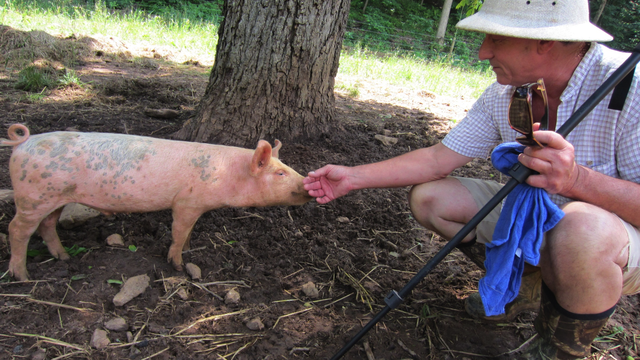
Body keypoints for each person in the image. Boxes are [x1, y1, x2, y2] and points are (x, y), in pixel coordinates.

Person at [303, 0, 640, 358]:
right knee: (431, 198)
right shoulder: (507, 91)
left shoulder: (630, 89)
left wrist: (576, 180)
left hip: (610, 243)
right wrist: (352, 177)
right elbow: (437, 159)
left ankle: (558, 348)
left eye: (495, 38)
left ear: (544, 41)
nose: (482, 53)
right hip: (543, 223)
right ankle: (522, 285)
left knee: (580, 230)